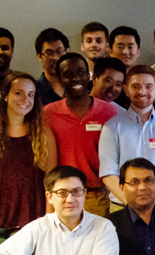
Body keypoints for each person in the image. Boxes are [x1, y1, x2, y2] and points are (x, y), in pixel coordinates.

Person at [99, 65, 155, 213]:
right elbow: (108, 173)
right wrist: (133, 207)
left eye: (148, 86)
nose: (142, 91)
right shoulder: (112, 127)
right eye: (136, 86)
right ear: (126, 90)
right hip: (123, 208)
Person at [44, 53, 119, 217]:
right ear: (60, 79)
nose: (75, 79)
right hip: (64, 196)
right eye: (68, 75)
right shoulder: (49, 114)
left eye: (80, 73)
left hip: (98, 195)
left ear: (88, 76)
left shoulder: (109, 112)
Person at [0, 72, 56, 228]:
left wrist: (49, 223)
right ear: (5, 96)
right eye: (18, 93)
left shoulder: (44, 133)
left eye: (30, 95)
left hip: (31, 213)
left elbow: (51, 180)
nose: (25, 100)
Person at [34, 28, 70, 106]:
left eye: (59, 52)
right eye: (49, 53)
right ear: (39, 56)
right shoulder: (33, 91)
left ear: (67, 51)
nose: (55, 58)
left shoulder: (75, 85)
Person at [108, 26, 141, 109]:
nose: (125, 52)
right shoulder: (102, 83)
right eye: (120, 47)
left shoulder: (145, 83)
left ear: (138, 52)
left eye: (130, 47)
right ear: (110, 51)